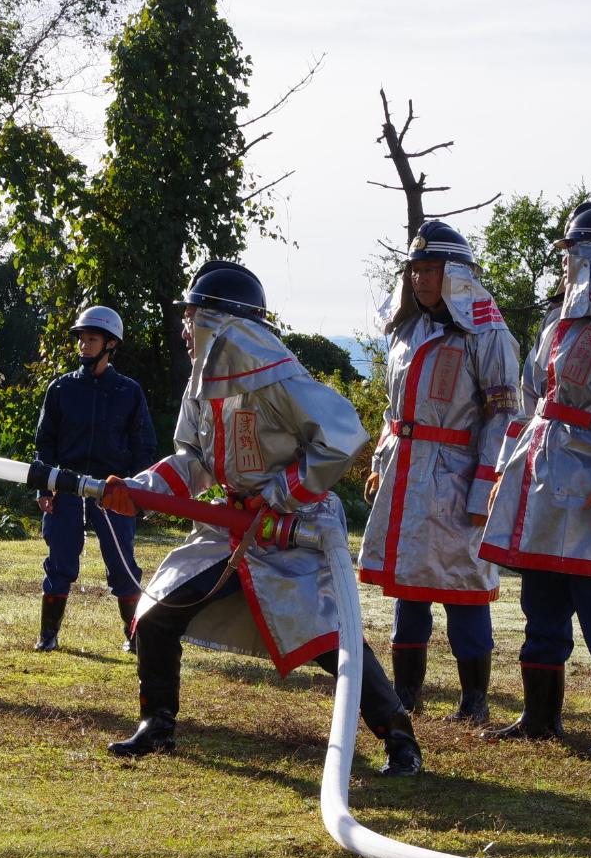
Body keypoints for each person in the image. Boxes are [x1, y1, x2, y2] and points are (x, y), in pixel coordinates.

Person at [97, 259, 421, 776]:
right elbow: (195, 461)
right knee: (158, 614)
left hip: (297, 530)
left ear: (224, 324)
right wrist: (140, 489)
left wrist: (281, 493)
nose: (185, 329)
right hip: (231, 530)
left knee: (330, 641)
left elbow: (342, 437)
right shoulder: (200, 386)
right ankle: (156, 724)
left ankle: (399, 736)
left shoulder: (283, 380)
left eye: (194, 316)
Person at [478, 202, 591, 761]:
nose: (564, 269)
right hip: (543, 480)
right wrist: (504, 469)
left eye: (571, 257)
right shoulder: (557, 324)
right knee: (542, 601)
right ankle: (540, 718)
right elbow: (532, 402)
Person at [358, 220, 521, 721]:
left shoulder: (488, 333)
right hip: (405, 474)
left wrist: (485, 490)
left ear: (454, 274)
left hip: (456, 476)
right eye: (414, 270)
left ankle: (474, 704)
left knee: (463, 588)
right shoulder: (405, 332)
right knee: (408, 587)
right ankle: (407, 698)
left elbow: (503, 416)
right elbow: (393, 411)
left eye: (430, 270)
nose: (419, 280)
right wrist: (380, 460)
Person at [32, 305, 156, 652]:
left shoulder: (129, 392)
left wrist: (134, 491)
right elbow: (45, 443)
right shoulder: (60, 388)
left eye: (92, 339)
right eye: (81, 339)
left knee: (122, 566)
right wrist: (46, 486)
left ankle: (134, 636)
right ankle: (48, 635)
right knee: (60, 562)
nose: (84, 345)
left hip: (113, 490)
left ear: (110, 344)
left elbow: (142, 446)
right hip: (66, 487)